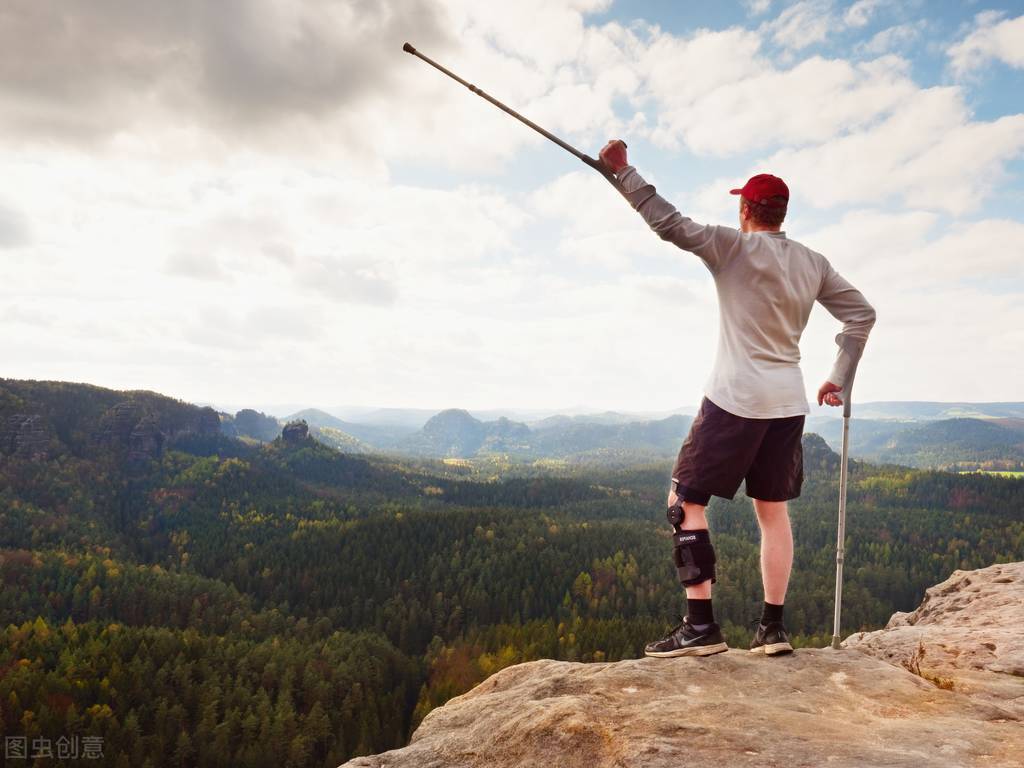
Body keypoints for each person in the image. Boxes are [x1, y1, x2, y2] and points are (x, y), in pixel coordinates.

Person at [597, 139, 876, 658]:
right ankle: (773, 628)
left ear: (745, 210)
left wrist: (623, 174)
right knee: (772, 512)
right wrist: (838, 376)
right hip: (788, 403)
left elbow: (669, 224)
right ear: (781, 213)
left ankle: (700, 626)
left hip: (733, 399)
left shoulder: (731, 246)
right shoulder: (813, 263)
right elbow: (861, 315)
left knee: (684, 503)